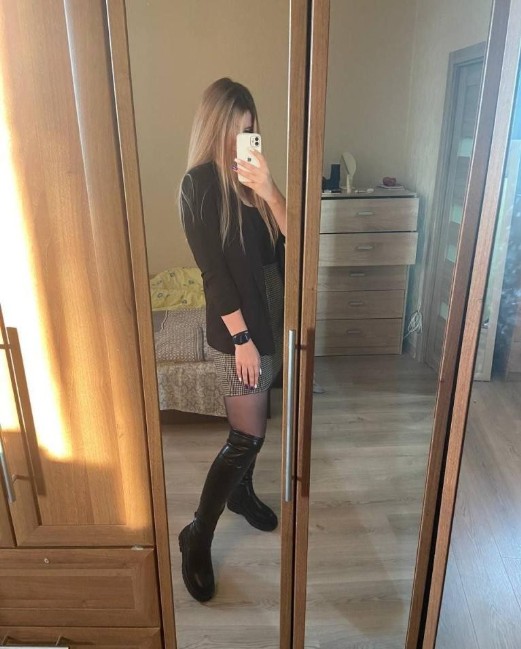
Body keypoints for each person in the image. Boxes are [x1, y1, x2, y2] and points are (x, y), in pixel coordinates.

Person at [178, 78, 287, 602]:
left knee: (254, 428)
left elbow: (293, 247)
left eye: (249, 130)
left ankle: (242, 494)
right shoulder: (197, 185)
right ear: (214, 127)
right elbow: (213, 274)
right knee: (246, 435)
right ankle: (197, 534)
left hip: (271, 322)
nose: (241, 140)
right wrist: (242, 338)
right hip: (238, 332)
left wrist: (271, 191)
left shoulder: (254, 185)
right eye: (234, 130)